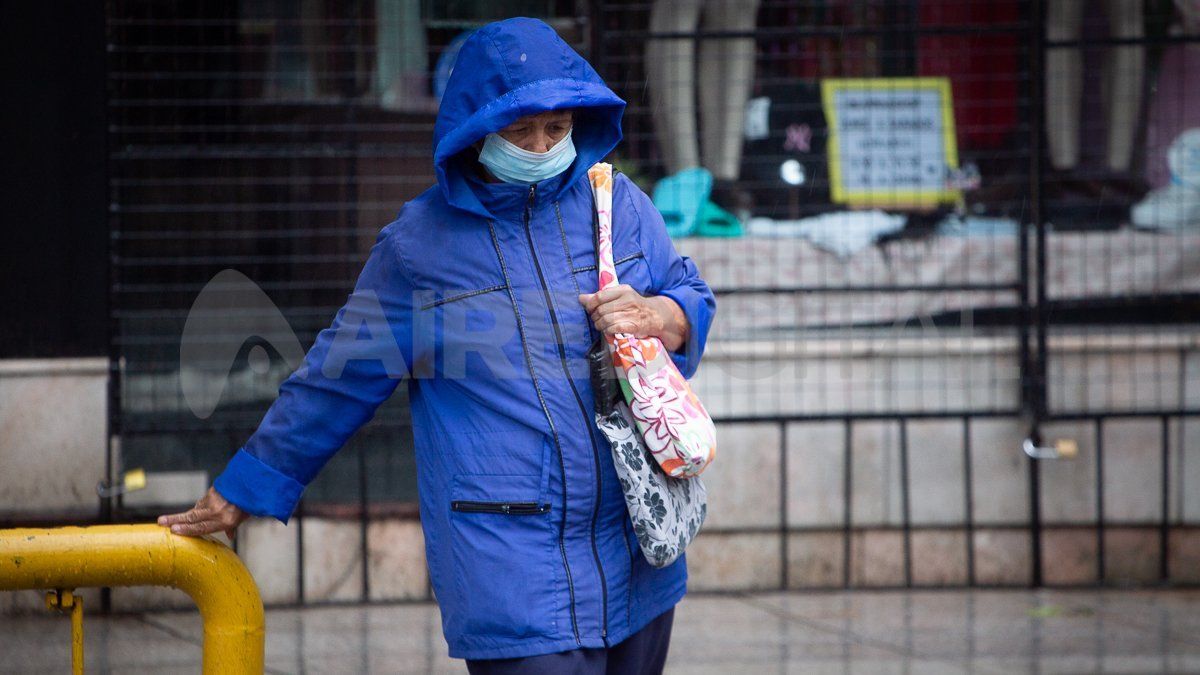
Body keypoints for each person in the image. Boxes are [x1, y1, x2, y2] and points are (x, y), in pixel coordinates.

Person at [158, 17, 717, 674]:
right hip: (509, 561)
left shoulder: (615, 202)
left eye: (557, 127)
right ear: (477, 129)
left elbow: (689, 293)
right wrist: (245, 486)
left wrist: (660, 315)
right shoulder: (418, 247)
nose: (541, 146)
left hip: (638, 548)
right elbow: (337, 379)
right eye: (520, 131)